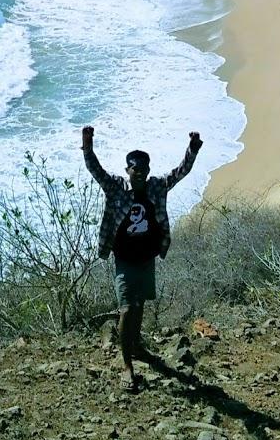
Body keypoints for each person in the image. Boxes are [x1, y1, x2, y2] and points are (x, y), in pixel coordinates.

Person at [81, 124, 202, 390]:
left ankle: (135, 345)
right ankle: (127, 366)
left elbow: (180, 173)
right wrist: (87, 144)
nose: (140, 174)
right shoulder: (115, 188)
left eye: (144, 170)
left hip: (147, 258)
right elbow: (95, 170)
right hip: (124, 260)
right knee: (126, 308)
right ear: (128, 170)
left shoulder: (156, 187)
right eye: (135, 169)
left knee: (140, 306)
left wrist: (192, 149)